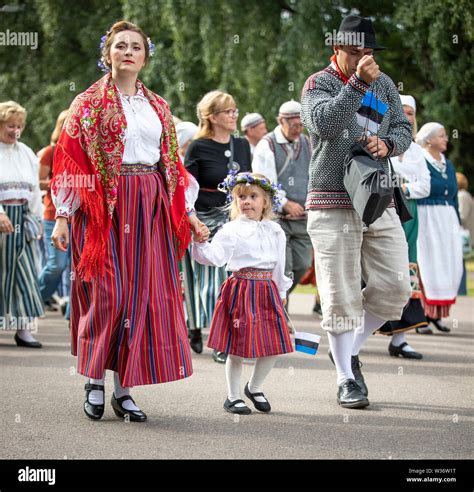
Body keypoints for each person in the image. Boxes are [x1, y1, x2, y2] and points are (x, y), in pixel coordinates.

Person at [50, 21, 208, 422]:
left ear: (144, 57)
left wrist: (187, 213)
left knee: (139, 298)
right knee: (107, 294)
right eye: (120, 46)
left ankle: (125, 389)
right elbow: (69, 162)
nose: (128, 52)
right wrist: (63, 216)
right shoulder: (87, 104)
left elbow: (171, 163)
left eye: (135, 47)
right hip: (104, 207)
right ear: (108, 54)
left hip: (148, 203)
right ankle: (94, 381)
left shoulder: (158, 106)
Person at [301, 15, 412, 408]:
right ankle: (347, 378)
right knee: (340, 294)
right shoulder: (319, 82)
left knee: (396, 287)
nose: (362, 59)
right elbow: (324, 125)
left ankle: (346, 350)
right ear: (337, 51)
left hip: (377, 196)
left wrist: (389, 145)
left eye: (367, 53)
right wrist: (358, 83)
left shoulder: (385, 84)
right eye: (353, 52)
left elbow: (402, 129)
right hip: (331, 200)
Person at [192, 172, 293, 414]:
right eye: (240, 197)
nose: (246, 201)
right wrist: (200, 242)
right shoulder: (230, 229)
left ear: (265, 202)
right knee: (237, 347)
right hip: (241, 290)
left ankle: (254, 387)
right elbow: (214, 257)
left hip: (267, 290)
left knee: (273, 345)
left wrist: (281, 291)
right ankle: (233, 396)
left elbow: (279, 263)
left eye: (252, 196)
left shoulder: (275, 230)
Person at [184, 90, 252, 363]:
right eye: (228, 111)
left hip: (235, 221)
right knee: (209, 282)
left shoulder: (243, 145)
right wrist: (193, 221)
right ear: (212, 117)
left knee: (232, 280)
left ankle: (223, 333)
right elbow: (187, 189)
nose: (234, 115)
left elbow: (249, 182)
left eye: (235, 110)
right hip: (205, 219)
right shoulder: (198, 147)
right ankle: (202, 328)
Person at [377, 95, 430, 356]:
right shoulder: (377, 143)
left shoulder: (417, 150)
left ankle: (399, 339)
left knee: (404, 271)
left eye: (410, 113)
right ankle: (351, 341)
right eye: (402, 112)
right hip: (381, 210)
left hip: (408, 215)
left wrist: (400, 186)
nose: (407, 117)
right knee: (374, 271)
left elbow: (425, 186)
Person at [252, 100, 313, 302]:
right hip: (277, 218)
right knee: (283, 268)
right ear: (281, 121)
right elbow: (264, 182)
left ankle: (276, 303)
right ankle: (281, 316)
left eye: (301, 124)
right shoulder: (267, 145)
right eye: (294, 125)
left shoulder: (307, 142)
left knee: (302, 265)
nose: (298, 129)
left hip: (302, 217)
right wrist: (285, 203)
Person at [0, 100, 44, 348]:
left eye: (19, 126)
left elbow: (35, 190)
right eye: (9, 125)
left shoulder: (26, 152)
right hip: (2, 217)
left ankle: (24, 329)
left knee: (25, 274)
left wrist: (36, 219)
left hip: (22, 219)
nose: (15, 130)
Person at [415, 122, 463, 332]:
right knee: (427, 262)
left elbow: (453, 197)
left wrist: (457, 222)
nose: (446, 139)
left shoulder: (448, 164)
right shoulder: (420, 160)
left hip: (447, 220)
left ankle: (438, 313)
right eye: (441, 136)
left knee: (447, 263)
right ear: (428, 140)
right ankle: (422, 314)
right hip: (427, 216)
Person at [37, 110, 70, 309]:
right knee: (57, 264)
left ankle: (71, 313)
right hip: (53, 214)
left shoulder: (83, 150)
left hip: (78, 215)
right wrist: (61, 184)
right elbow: (38, 182)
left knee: (79, 268)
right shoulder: (50, 151)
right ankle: (34, 299)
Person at [456, 172, 474, 296]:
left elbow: (462, 216)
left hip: (462, 235)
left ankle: (461, 291)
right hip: (465, 234)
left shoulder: (462, 196)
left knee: (460, 262)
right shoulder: (464, 195)